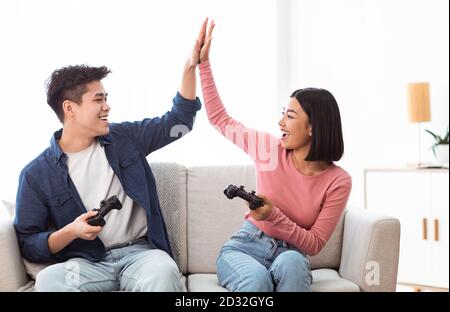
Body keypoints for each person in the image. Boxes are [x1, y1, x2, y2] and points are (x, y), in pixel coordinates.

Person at [13, 20, 210, 292]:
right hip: (86, 262)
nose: (107, 106)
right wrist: (71, 231)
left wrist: (189, 67)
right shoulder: (36, 174)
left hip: (141, 255)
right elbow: (29, 244)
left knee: (163, 271)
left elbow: (179, 124)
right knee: (49, 281)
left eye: (106, 98)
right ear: (70, 108)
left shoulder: (124, 138)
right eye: (98, 100)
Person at [197, 20, 352, 292]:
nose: (280, 123)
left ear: (313, 127)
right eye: (283, 113)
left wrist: (273, 215)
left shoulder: (338, 181)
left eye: (290, 116)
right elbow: (220, 119)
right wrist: (204, 64)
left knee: (292, 263)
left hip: (291, 254)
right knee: (256, 280)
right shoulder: (269, 149)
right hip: (245, 248)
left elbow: (314, 244)